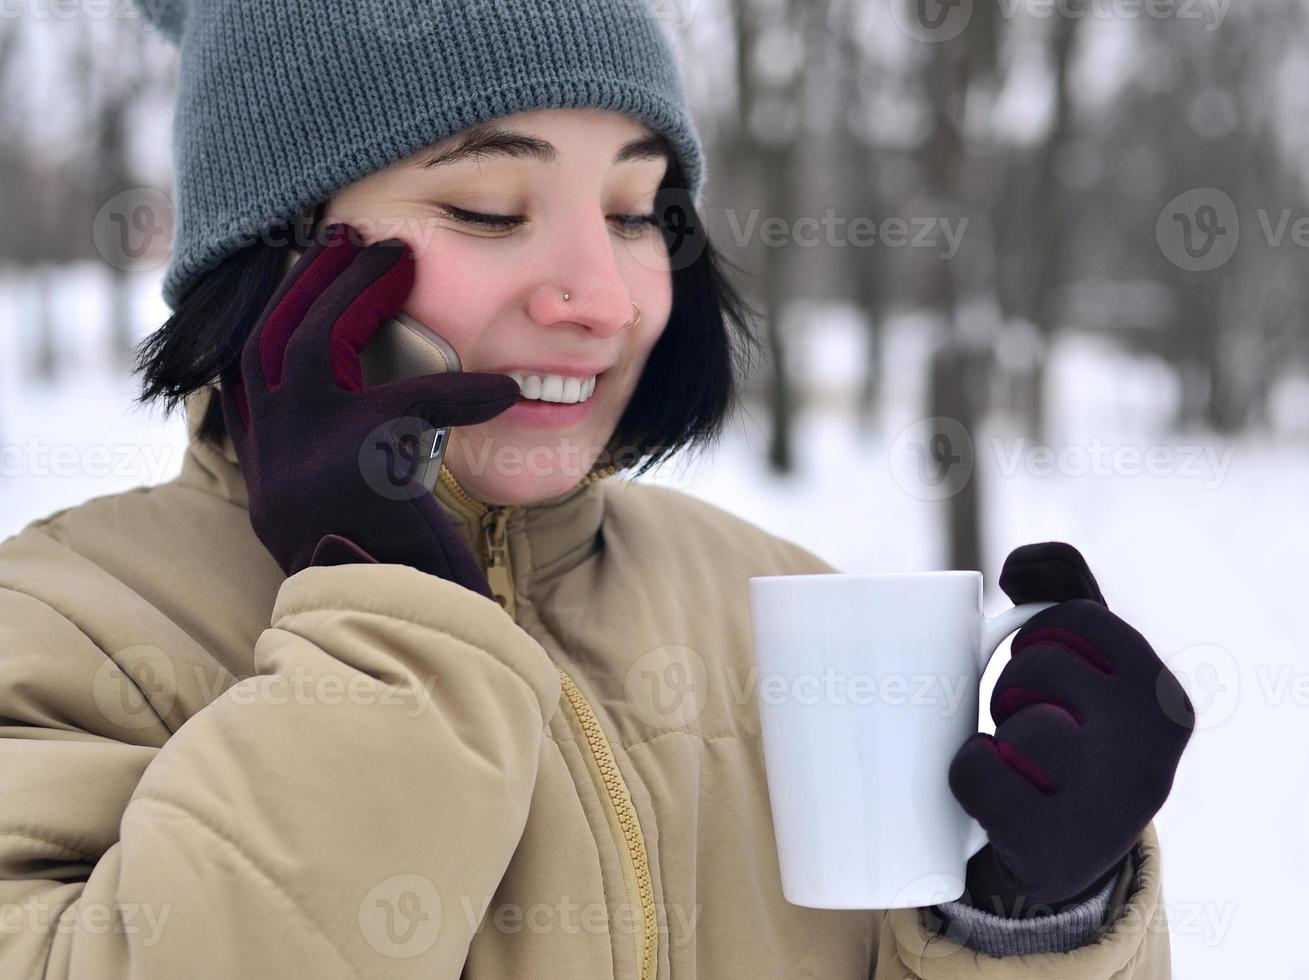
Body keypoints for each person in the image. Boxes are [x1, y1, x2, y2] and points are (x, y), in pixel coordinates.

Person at [0, 1, 1192, 977]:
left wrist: (1036, 915)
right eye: (487, 208)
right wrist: (387, 630)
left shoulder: (771, 601)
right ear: (279, 250)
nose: (605, 298)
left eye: (635, 213)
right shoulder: (56, 638)